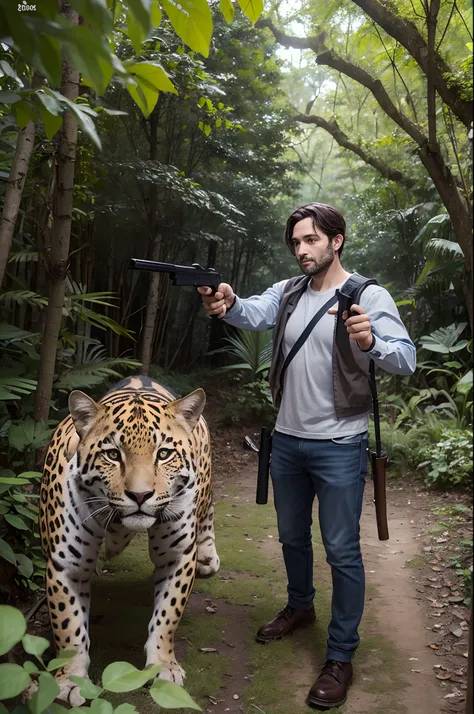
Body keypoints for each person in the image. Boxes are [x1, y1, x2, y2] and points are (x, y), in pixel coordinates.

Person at [197, 203, 416, 710]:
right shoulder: (290, 291)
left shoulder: (366, 294)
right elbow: (251, 312)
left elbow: (405, 357)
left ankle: (340, 656)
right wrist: (225, 301)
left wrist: (373, 340)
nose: (301, 250)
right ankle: (300, 607)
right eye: (296, 242)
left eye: (311, 240)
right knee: (291, 535)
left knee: (341, 550)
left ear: (335, 241)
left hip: (340, 445)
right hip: (288, 442)